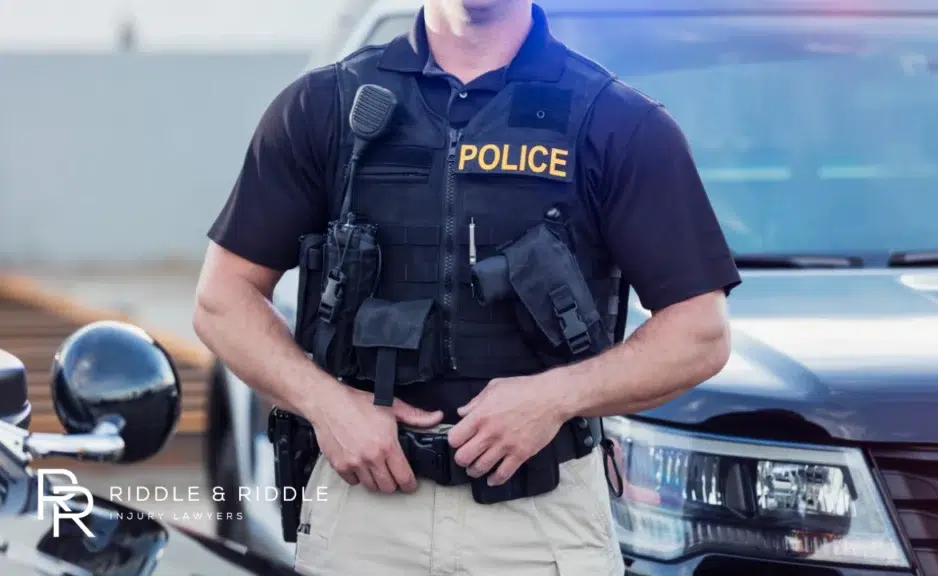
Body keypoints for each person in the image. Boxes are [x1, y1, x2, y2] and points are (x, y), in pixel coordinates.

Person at [193, 0, 740, 574]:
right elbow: (222, 300)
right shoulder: (325, 106)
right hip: (365, 517)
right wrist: (326, 405)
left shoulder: (615, 121)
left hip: (539, 519)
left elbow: (700, 334)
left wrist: (554, 399)